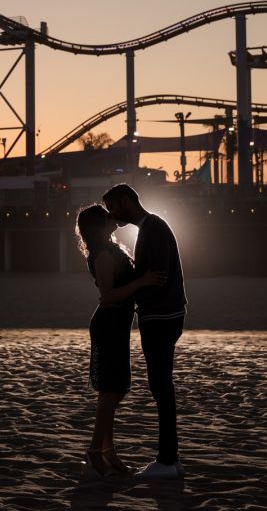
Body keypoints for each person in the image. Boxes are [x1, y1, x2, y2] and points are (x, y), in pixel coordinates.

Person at [102, 184, 187, 479]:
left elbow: (157, 277)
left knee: (161, 387)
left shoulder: (154, 228)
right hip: (166, 314)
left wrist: (132, 293)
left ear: (126, 200)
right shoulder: (151, 228)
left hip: (161, 317)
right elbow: (151, 275)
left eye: (113, 207)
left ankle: (166, 460)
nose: (111, 215)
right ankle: (170, 459)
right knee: (162, 387)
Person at [75, 204, 166, 478]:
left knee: (113, 390)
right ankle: (94, 452)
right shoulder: (102, 254)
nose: (112, 217)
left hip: (118, 324)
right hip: (108, 323)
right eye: (106, 216)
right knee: (111, 390)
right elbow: (108, 296)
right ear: (98, 226)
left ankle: (107, 451)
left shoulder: (112, 248)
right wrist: (143, 282)